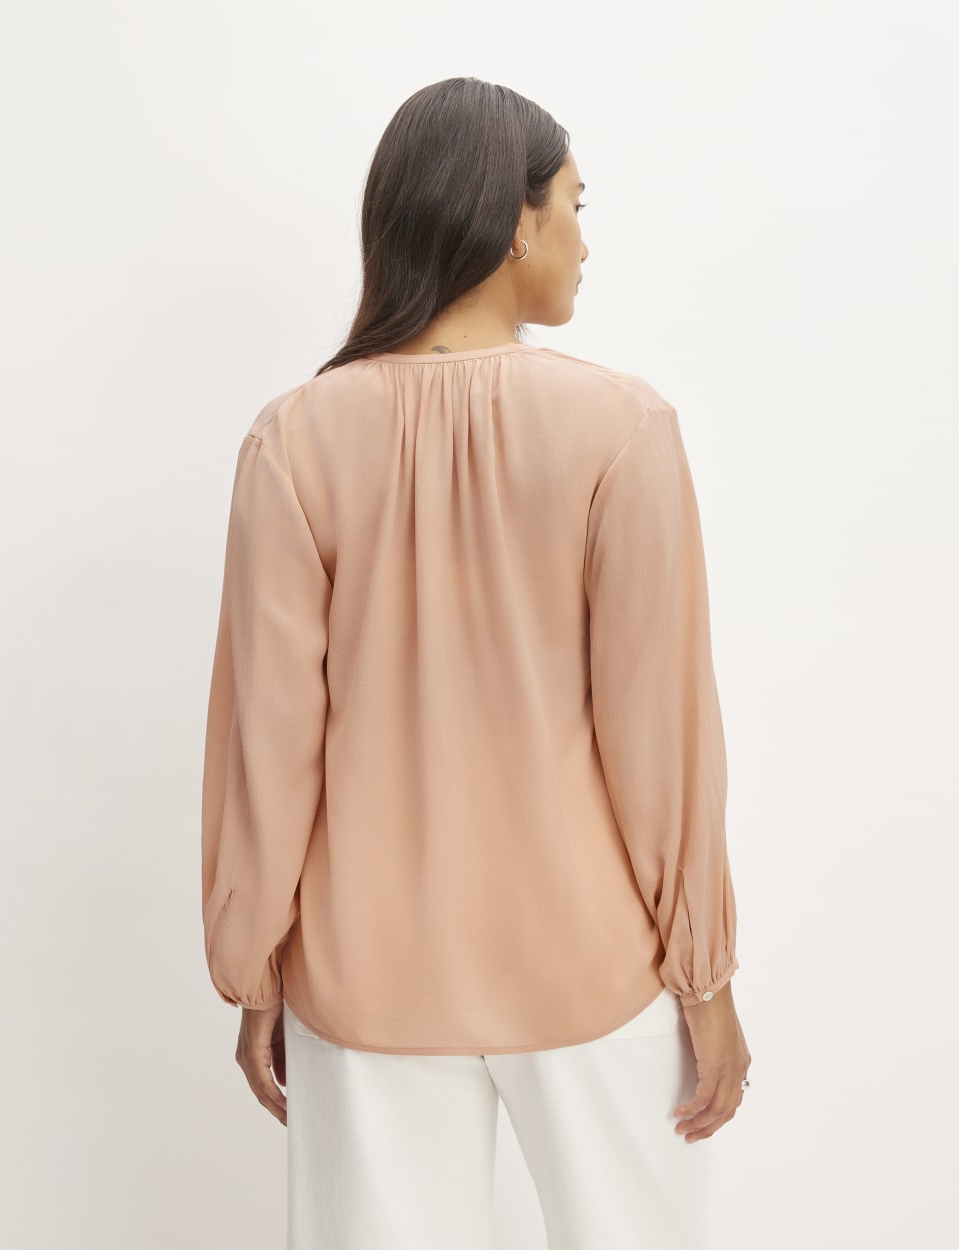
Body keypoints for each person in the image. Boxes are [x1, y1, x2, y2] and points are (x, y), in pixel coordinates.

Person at [201, 76, 751, 1250]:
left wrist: (256, 967)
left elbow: (270, 745)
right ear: (514, 221)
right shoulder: (622, 428)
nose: (584, 242)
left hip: (366, 970)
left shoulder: (292, 440)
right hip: (590, 962)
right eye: (574, 207)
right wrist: (704, 977)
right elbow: (658, 736)